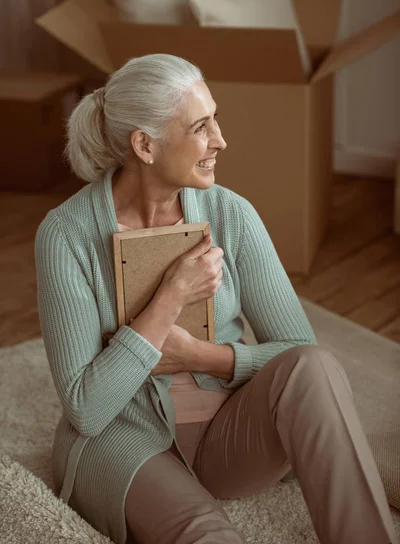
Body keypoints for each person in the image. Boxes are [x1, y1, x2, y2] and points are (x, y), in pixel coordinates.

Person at [34, 53, 398, 544]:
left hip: (226, 433)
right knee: (205, 533)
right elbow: (86, 408)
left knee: (314, 367)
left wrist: (200, 357)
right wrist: (172, 295)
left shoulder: (233, 214)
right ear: (145, 144)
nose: (220, 141)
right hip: (126, 439)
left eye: (215, 120)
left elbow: (300, 353)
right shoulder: (65, 236)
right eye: (201, 127)